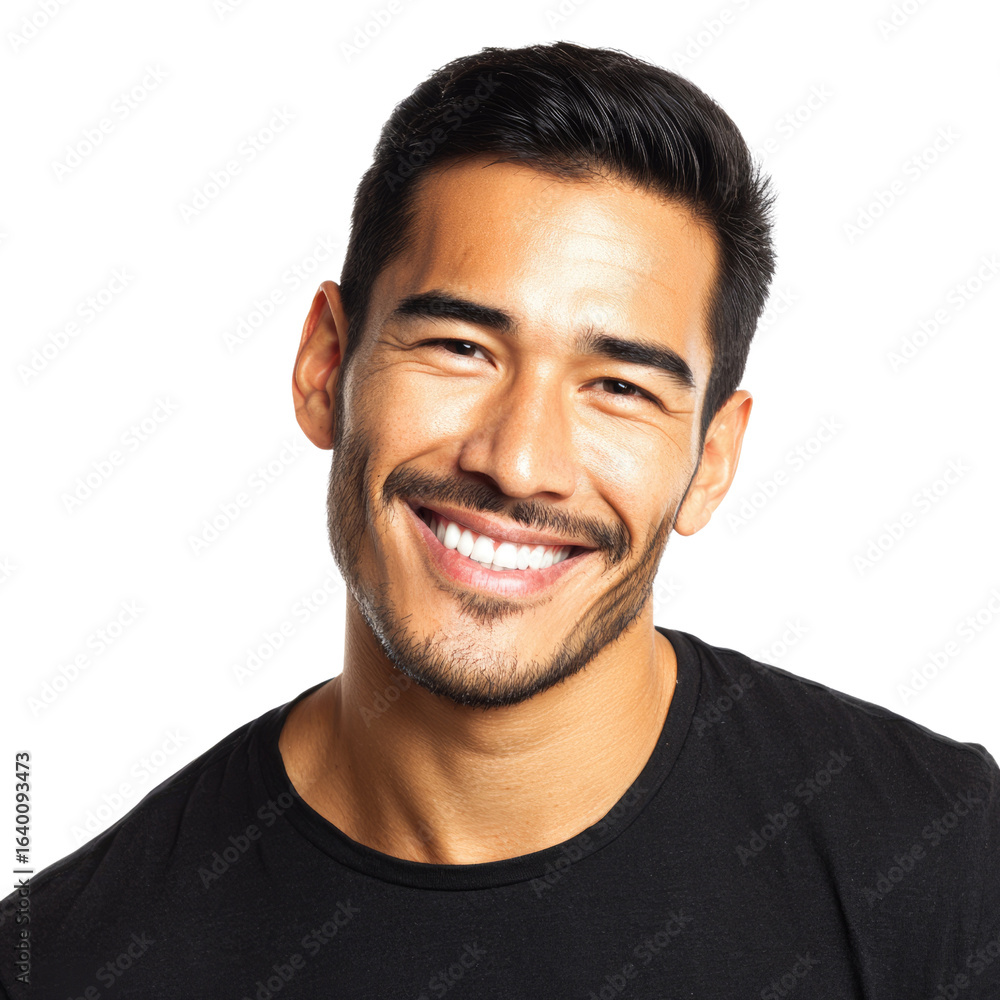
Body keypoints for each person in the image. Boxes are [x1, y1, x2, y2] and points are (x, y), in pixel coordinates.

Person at [3, 40, 997, 999]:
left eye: (619, 387)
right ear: (325, 367)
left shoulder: (945, 861)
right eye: (460, 347)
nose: (518, 462)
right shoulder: (71, 962)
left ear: (712, 460)